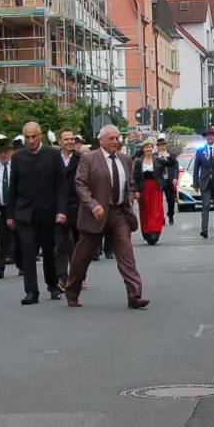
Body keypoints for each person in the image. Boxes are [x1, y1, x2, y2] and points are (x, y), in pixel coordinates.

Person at [64, 125, 149, 309]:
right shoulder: (89, 159)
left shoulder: (125, 159)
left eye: (117, 138)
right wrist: (92, 204)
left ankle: (134, 294)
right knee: (83, 256)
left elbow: (131, 183)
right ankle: (72, 291)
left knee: (126, 255)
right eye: (111, 138)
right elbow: (80, 184)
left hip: (119, 214)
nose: (115, 141)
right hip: (96, 215)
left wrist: (130, 197)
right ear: (101, 140)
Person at [8, 122, 69, 304]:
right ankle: (31, 291)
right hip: (25, 212)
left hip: (47, 211)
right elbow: (13, 187)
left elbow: (61, 185)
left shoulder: (52, 154)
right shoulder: (18, 157)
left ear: (40, 135)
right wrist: (10, 214)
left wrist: (61, 210)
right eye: (27, 137)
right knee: (27, 252)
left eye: (34, 136)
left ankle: (52, 285)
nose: (31, 140)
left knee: (49, 251)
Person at [56, 128, 82, 290]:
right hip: (59, 206)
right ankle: (62, 277)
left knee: (79, 245)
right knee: (60, 243)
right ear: (60, 142)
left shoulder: (81, 159)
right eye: (66, 139)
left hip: (78, 205)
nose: (70, 142)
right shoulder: (54, 159)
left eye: (72, 139)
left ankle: (79, 275)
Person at [0, 135, 17, 279]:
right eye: (1, 152)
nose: (3, 155)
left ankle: (22, 264)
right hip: (0, 207)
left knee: (19, 236)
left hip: (16, 206)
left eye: (6, 151)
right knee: (2, 237)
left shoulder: (17, 164)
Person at [134, 138, 168, 245]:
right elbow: (135, 178)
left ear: (152, 149)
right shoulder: (139, 162)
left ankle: (154, 231)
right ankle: (146, 231)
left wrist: (168, 156)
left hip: (155, 187)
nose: (148, 149)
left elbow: (171, 163)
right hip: (143, 188)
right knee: (145, 210)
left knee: (156, 209)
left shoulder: (158, 160)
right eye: (146, 147)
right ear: (143, 149)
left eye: (150, 147)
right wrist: (136, 191)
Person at [155, 136, 179, 220]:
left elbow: (176, 166)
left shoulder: (170, 155)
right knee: (158, 200)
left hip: (169, 180)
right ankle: (161, 217)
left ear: (165, 146)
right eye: (159, 146)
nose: (161, 147)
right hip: (159, 180)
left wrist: (175, 178)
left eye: (163, 145)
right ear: (157, 147)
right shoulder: (154, 156)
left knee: (170, 199)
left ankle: (170, 214)